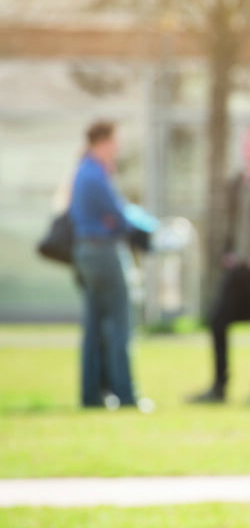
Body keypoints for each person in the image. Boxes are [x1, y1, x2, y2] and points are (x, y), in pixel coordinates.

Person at [189, 122, 250, 404]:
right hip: (238, 267)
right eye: (246, 145)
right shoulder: (237, 181)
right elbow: (231, 224)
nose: (248, 150)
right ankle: (219, 386)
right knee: (218, 320)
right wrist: (228, 252)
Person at [69, 119, 150, 410]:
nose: (118, 148)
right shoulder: (95, 174)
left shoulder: (84, 170)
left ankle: (92, 395)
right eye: (116, 142)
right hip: (104, 253)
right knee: (120, 323)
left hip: (86, 253)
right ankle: (125, 394)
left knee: (94, 326)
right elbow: (118, 215)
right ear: (102, 141)